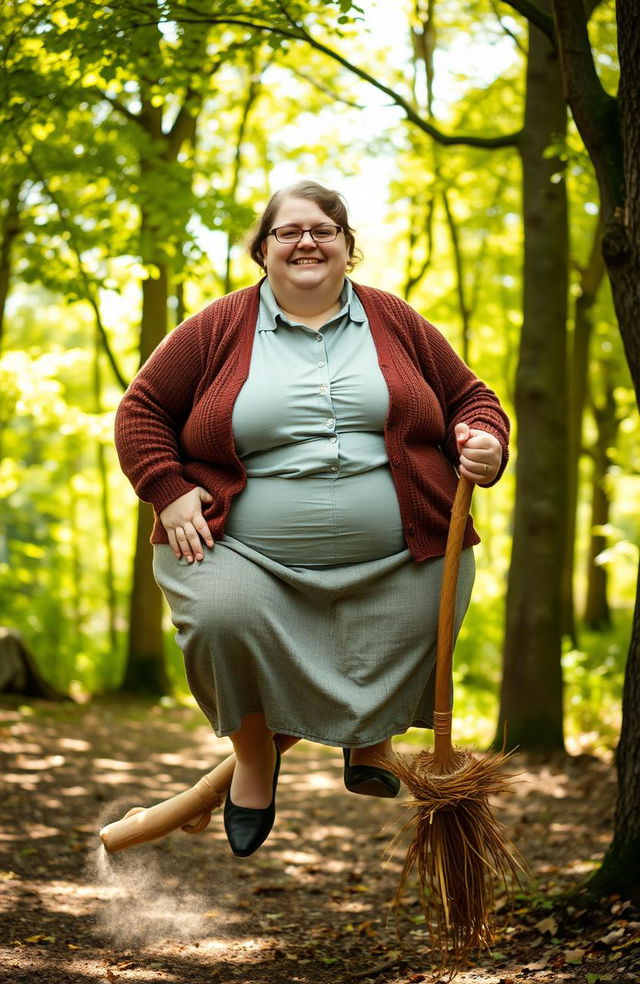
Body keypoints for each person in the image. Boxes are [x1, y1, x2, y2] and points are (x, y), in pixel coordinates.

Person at [114, 180, 509, 858]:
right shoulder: (216, 327)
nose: (306, 242)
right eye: (288, 231)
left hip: (400, 554)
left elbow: (473, 400)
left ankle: (370, 742)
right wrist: (168, 488)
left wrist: (484, 443)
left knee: (419, 609)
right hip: (244, 551)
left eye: (323, 230)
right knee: (220, 620)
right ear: (262, 250)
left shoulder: (397, 320)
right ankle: (255, 762)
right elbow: (141, 413)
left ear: (347, 248)